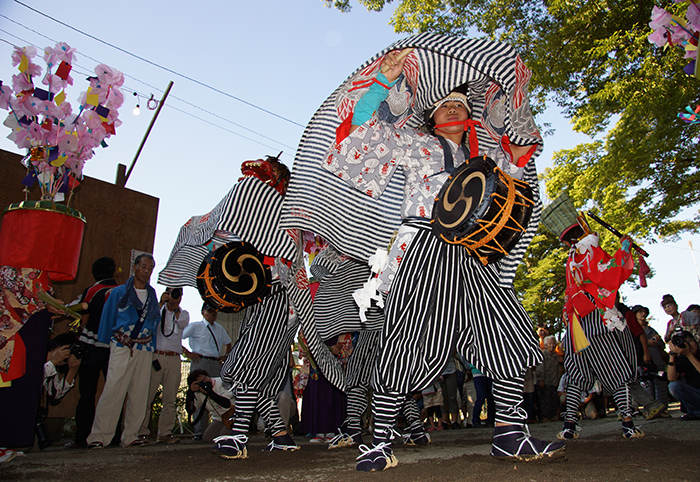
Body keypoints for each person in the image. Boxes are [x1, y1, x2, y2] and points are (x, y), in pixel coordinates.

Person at [319, 49, 563, 470]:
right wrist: (383, 86)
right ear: (432, 116)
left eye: (460, 105)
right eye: (445, 104)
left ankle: (509, 433)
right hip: (424, 250)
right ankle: (378, 441)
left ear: (469, 117)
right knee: (407, 343)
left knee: (505, 331)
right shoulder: (413, 143)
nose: (452, 106)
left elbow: (519, 167)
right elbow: (360, 141)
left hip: (472, 255)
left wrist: (512, 107)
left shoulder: (484, 160)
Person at [213, 157, 303, 459]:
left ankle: (238, 435)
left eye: (272, 174)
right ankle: (280, 434)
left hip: (280, 297)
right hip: (264, 298)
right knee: (264, 368)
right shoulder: (257, 215)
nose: (263, 179)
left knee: (253, 362)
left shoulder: (288, 217)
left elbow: (285, 263)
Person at [556, 227, 643, 441]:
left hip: (576, 323)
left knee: (577, 374)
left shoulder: (571, 261)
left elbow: (569, 294)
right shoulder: (589, 251)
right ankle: (628, 425)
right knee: (616, 368)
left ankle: (569, 426)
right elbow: (609, 273)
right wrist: (624, 248)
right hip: (596, 318)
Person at [86, 254, 161, 449]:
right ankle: (99, 436)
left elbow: (155, 323)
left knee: (139, 392)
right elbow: (108, 317)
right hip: (122, 345)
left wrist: (153, 346)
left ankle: (131, 436)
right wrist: (104, 342)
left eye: (150, 268)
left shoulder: (152, 295)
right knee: (113, 390)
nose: (146, 271)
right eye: (143, 266)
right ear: (134, 267)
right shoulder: (118, 292)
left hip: (144, 347)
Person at [73, 257, 120, 448]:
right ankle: (113, 436)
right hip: (113, 347)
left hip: (90, 346)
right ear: (113, 272)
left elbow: (83, 318)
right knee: (113, 393)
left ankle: (83, 436)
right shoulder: (121, 291)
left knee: (87, 394)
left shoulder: (92, 290)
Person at [139, 287, 189, 443]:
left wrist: (174, 309)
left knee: (170, 398)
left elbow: (181, 324)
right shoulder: (158, 310)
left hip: (174, 358)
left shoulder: (183, 313)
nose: (176, 297)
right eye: (172, 293)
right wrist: (161, 303)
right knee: (147, 396)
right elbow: (150, 320)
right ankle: (141, 432)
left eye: (178, 294)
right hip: (157, 356)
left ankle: (164, 433)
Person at [182, 303, 231, 440]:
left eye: (215, 311)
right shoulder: (195, 326)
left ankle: (224, 423)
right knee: (199, 394)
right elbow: (178, 337)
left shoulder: (219, 328)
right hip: (200, 361)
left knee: (218, 392)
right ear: (203, 312)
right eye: (210, 311)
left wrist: (225, 356)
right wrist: (187, 353)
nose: (213, 313)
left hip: (215, 362)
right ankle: (199, 431)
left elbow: (228, 343)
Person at [631, 304, 669, 413]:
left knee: (660, 385)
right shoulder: (631, 330)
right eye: (640, 312)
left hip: (657, 362)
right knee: (646, 387)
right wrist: (646, 344)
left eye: (644, 312)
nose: (643, 314)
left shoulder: (651, 330)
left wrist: (658, 340)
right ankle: (651, 409)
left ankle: (663, 408)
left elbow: (662, 345)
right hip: (641, 363)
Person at [186, 369, 235, 442]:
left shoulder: (222, 382)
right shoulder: (200, 393)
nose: (205, 382)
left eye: (204, 378)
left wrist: (210, 393)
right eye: (201, 382)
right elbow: (191, 410)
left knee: (224, 435)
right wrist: (190, 393)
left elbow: (226, 403)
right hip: (219, 418)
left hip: (233, 415)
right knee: (208, 438)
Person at [667, 330, 700, 420]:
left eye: (689, 341)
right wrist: (672, 355)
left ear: (696, 341)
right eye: (684, 342)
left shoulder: (690, 354)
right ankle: (696, 412)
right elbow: (671, 378)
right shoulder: (682, 359)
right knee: (674, 386)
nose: (687, 345)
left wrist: (689, 354)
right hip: (695, 394)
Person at [536, 336, 562, 422]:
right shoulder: (543, 354)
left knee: (553, 400)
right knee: (544, 400)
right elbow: (540, 368)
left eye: (553, 343)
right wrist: (540, 379)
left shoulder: (555, 355)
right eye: (550, 343)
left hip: (554, 381)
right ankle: (544, 417)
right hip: (545, 381)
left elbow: (557, 369)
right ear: (546, 345)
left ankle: (552, 415)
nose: (552, 345)